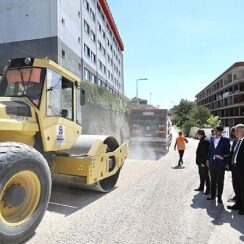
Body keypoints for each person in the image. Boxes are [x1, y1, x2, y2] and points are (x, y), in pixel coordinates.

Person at [206, 125, 230, 204]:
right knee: (212, 180)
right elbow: (210, 150)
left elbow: (228, 153)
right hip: (212, 163)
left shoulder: (226, 140)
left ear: (220, 131)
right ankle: (212, 196)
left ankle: (219, 197)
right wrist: (207, 160)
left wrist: (226, 162)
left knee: (220, 181)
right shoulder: (212, 138)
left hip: (221, 164)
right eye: (215, 131)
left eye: (216, 131)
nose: (215, 132)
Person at [227, 124, 244, 215]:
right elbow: (232, 154)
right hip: (234, 168)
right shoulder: (236, 141)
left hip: (242, 170)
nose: (235, 132)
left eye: (238, 130)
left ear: (243, 131)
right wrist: (229, 164)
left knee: (242, 189)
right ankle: (237, 204)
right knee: (236, 187)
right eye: (235, 131)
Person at [194, 129, 210, 195]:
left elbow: (205, 153)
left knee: (206, 176)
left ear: (200, 134)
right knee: (201, 175)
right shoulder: (202, 139)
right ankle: (201, 187)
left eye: (197, 134)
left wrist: (203, 163)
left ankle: (208, 189)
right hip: (200, 162)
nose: (197, 136)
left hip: (203, 163)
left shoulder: (205, 140)